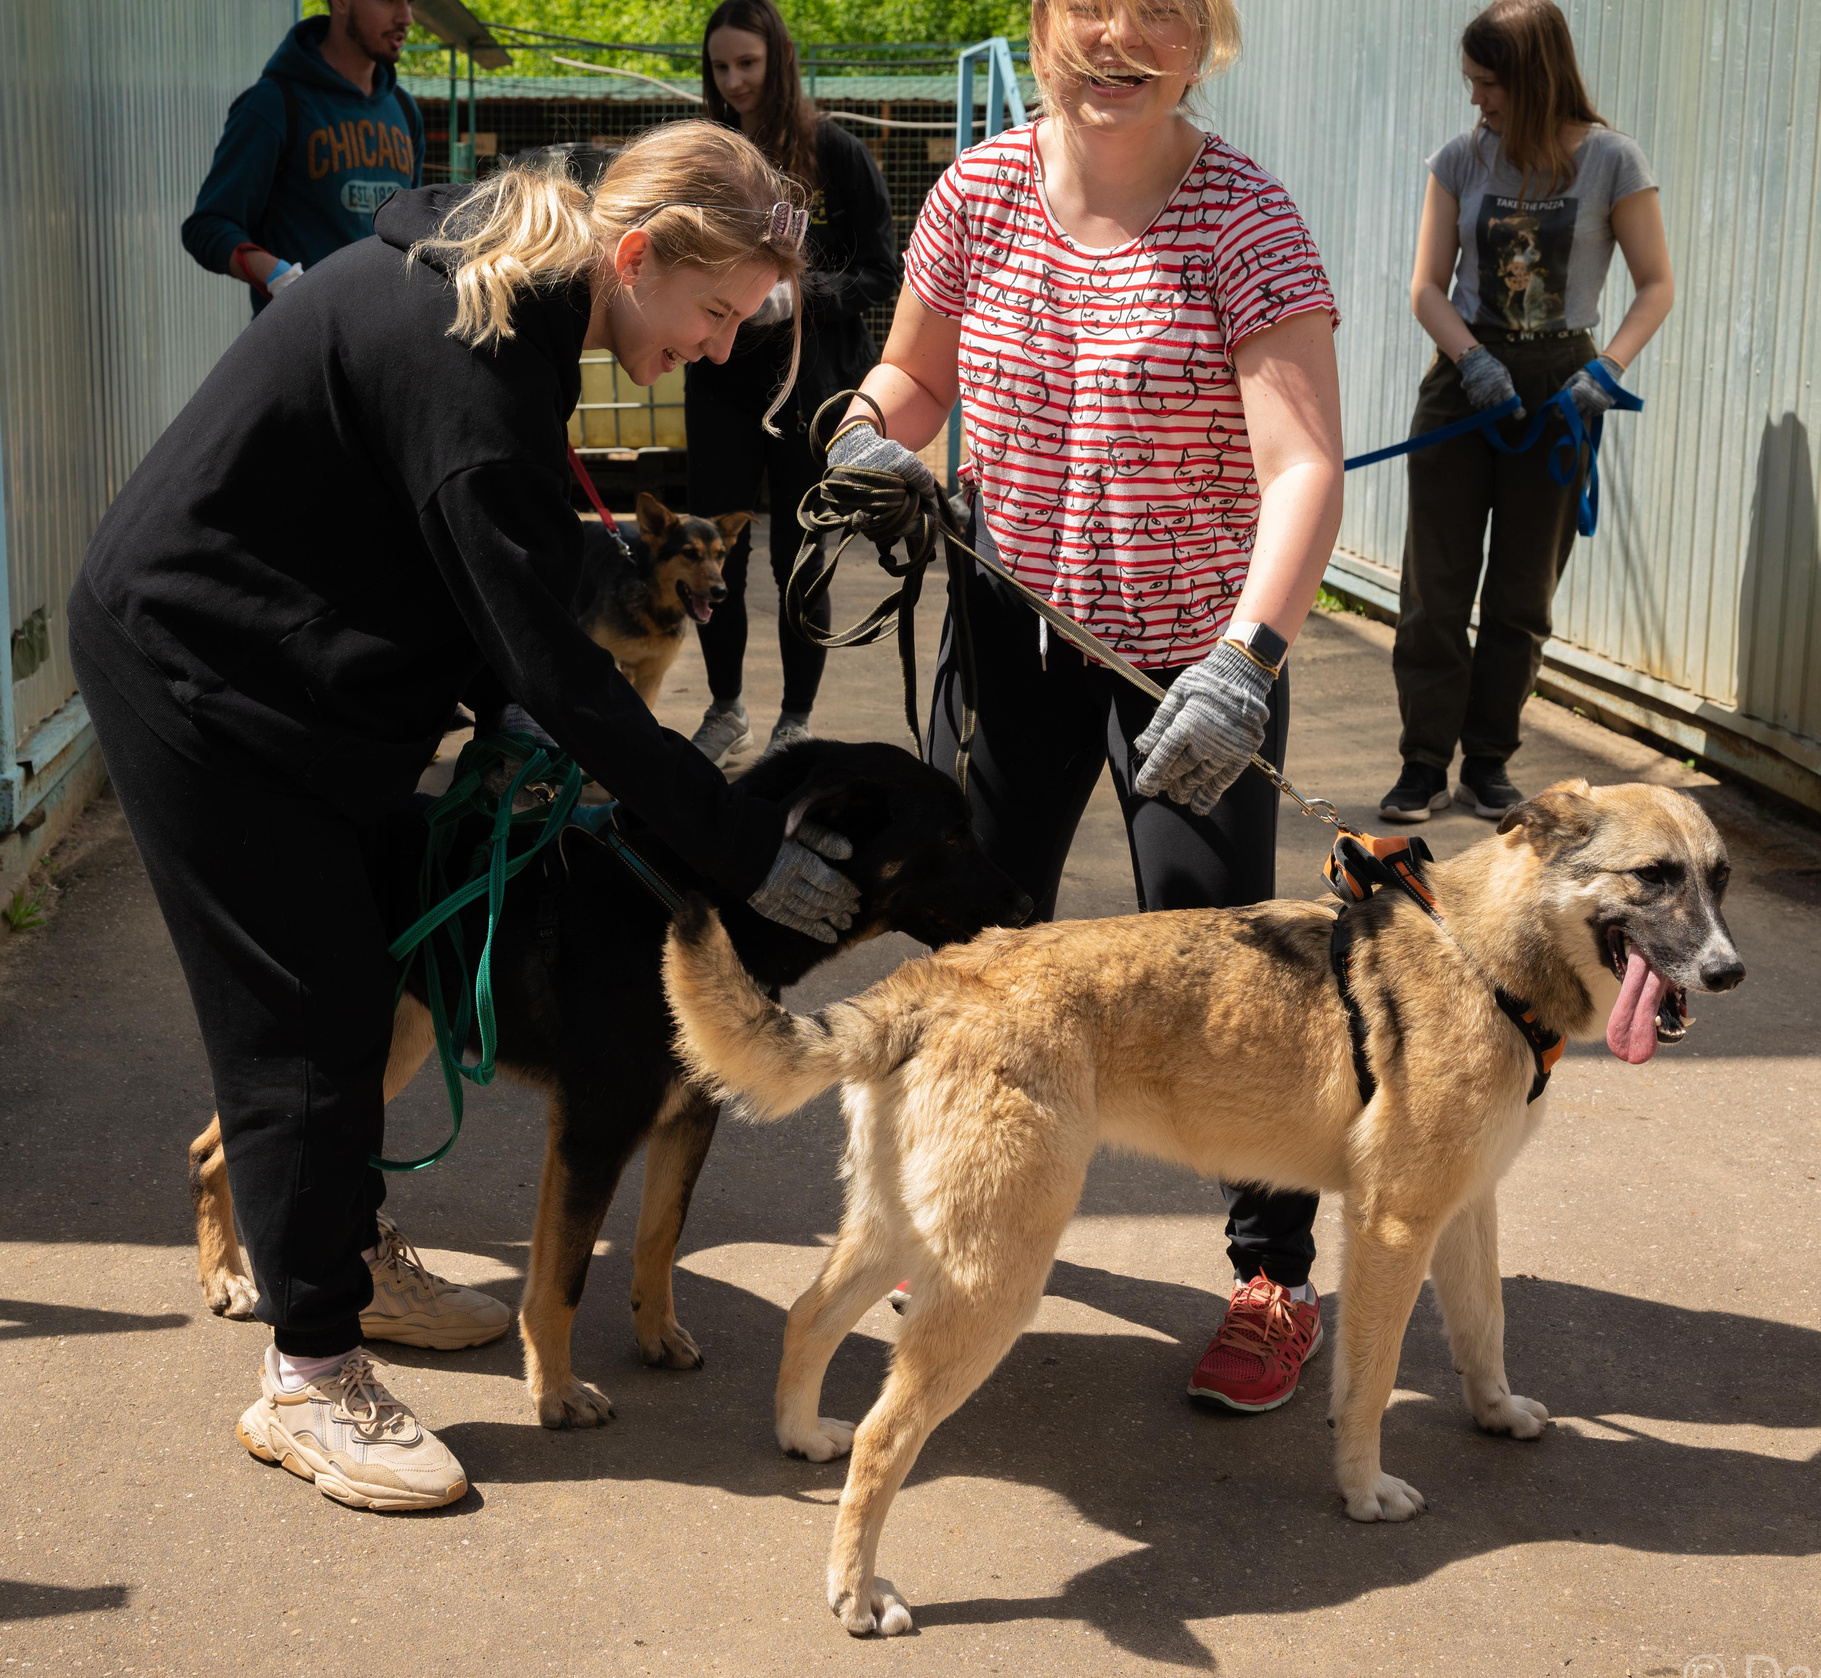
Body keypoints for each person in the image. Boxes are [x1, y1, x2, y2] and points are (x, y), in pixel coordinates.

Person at [74, 123, 850, 1510]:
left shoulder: (522, 297)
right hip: (203, 672)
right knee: (304, 1015)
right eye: (717, 312)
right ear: (635, 258)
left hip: (309, 674)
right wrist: (733, 843)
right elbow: (560, 663)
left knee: (374, 977)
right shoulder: (479, 351)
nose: (721, 349)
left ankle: (348, 1253)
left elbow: (510, 565)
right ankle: (310, 1377)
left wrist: (521, 714)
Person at [824, 0, 1346, 1413]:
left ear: (1209, 36)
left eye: (1164, 12)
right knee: (969, 943)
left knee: (1227, 986)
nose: (1122, 40)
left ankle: (1274, 1274)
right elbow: (917, 377)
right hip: (1015, 629)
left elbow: (1302, 469)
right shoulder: (977, 193)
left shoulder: (1246, 218)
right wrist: (871, 435)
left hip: (1194, 652)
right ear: (1040, 20)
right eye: (1089, 10)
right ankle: (940, 1218)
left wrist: (1249, 659)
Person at [1380, 0, 1673, 823]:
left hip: (1562, 385)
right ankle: (1422, 763)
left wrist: (1603, 370)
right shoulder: (1459, 160)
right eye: (1472, 83)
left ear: (1534, 79)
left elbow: (1657, 284)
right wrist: (1471, 360)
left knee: (1521, 592)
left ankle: (1489, 763)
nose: (1477, 100)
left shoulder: (1614, 160)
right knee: (1435, 585)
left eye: (1489, 84)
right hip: (1465, 376)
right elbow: (1427, 287)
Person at [682, 0, 901, 763]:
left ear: (778, 61)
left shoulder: (831, 152)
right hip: (718, 382)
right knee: (714, 553)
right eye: (720, 67)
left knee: (799, 558)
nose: (735, 81)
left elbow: (882, 270)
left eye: (748, 63)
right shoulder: (707, 159)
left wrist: (799, 296)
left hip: (809, 391)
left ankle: (795, 723)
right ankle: (726, 707)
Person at [181, 0, 426, 314]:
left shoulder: (405, 111)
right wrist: (278, 276)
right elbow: (207, 226)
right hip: (301, 348)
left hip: (383, 344)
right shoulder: (274, 103)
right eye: (389, 1)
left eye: (410, 2)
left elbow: (408, 231)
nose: (406, 17)